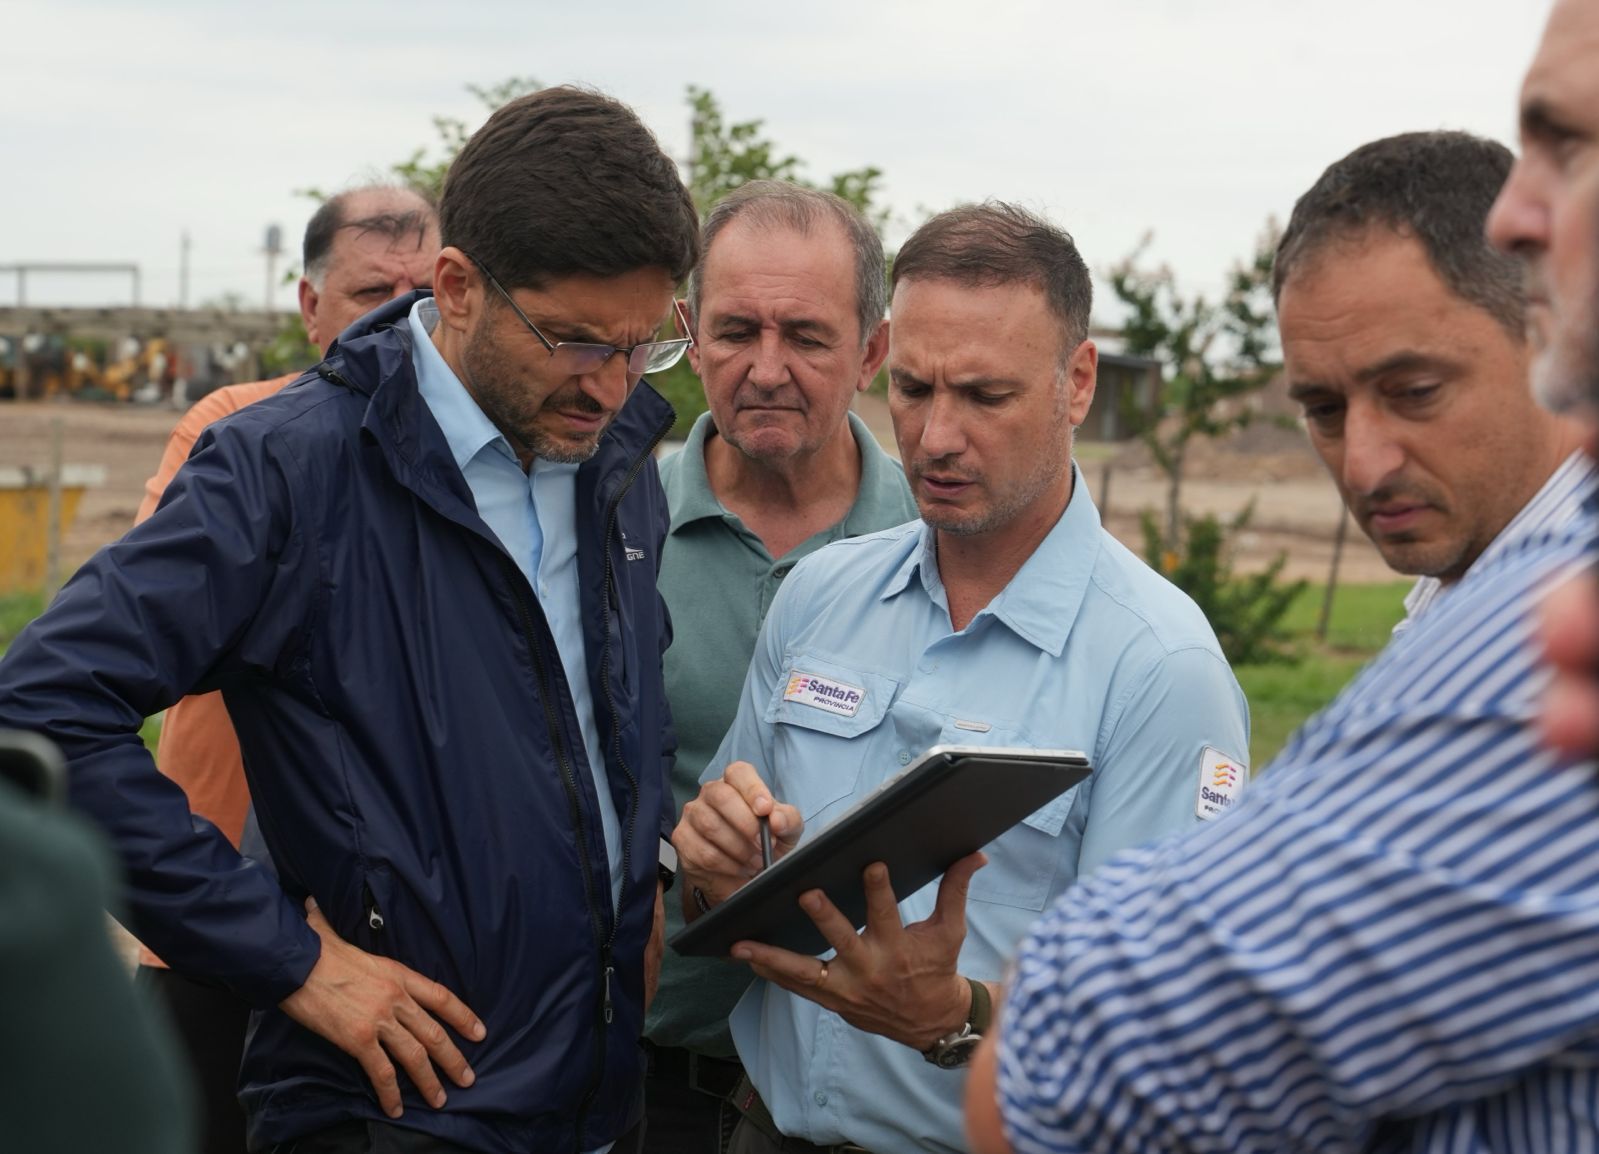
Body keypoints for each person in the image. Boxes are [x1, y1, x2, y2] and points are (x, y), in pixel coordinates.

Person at [0, 86, 700, 1154]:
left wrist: (638, 870)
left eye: (642, 346)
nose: (608, 387)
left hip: (599, 1105)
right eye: (572, 340)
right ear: (458, 287)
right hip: (391, 1115)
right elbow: (41, 707)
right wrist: (288, 956)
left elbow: (610, 712)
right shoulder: (288, 468)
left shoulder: (609, 462)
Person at [967, 121, 1599, 1154]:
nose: (1362, 460)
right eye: (1322, 405)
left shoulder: (1543, 645)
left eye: (1415, 391)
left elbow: (1069, 1067)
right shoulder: (1463, 598)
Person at [673, 202, 1251, 1154]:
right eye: (912, 389)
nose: (935, 436)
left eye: (984, 396)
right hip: (760, 1130)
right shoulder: (819, 597)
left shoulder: (1159, 667)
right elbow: (723, 898)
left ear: (1076, 383)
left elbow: (1173, 1022)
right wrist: (712, 867)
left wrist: (961, 1018)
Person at [130, 183, 438, 1154]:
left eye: (422, 291)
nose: (399, 318)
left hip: (382, 949)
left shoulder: (469, 465)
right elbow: (165, 640)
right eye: (369, 293)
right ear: (311, 310)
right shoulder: (238, 432)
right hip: (211, 903)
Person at [644, 181, 917, 1152]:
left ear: (873, 349)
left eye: (806, 334)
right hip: (641, 1082)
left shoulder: (938, 550)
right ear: (689, 329)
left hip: (857, 1104)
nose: (766, 368)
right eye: (735, 330)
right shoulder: (606, 527)